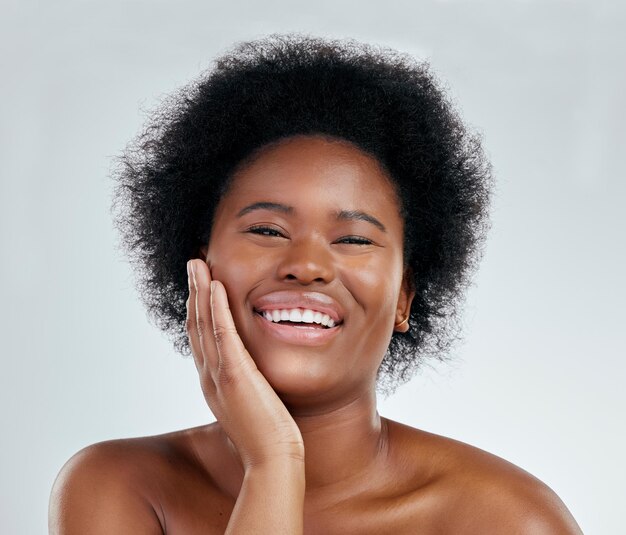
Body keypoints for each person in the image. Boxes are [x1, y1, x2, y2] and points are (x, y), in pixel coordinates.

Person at [49, 35, 583, 534]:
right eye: (265, 230)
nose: (306, 265)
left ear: (404, 298)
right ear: (199, 266)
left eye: (353, 239)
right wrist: (274, 462)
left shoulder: (506, 519)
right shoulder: (119, 487)